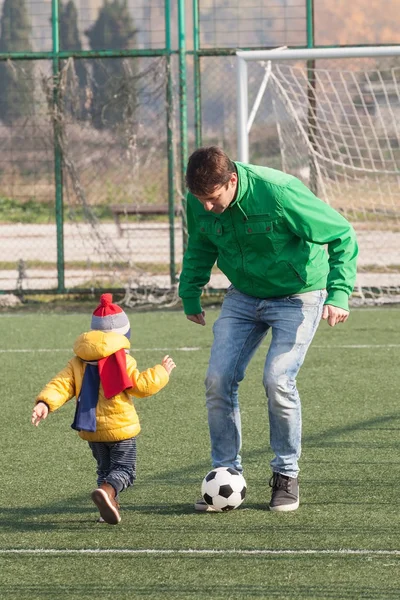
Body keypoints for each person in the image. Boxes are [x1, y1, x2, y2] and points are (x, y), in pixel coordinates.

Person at [178, 146, 358, 512]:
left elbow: (341, 234)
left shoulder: (278, 191)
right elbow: (200, 244)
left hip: (299, 295)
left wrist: (339, 294)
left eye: (213, 199)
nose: (206, 208)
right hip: (244, 296)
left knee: (277, 379)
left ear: (232, 180)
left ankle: (286, 474)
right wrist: (190, 291)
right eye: (200, 200)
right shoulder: (199, 200)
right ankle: (227, 474)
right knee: (217, 379)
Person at [31, 293, 176, 525]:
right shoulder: (122, 360)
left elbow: (61, 385)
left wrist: (44, 403)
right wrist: (162, 372)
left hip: (91, 429)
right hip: (121, 430)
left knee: (104, 469)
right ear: (124, 335)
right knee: (125, 471)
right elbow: (140, 386)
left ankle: (106, 507)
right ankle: (108, 493)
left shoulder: (78, 361)